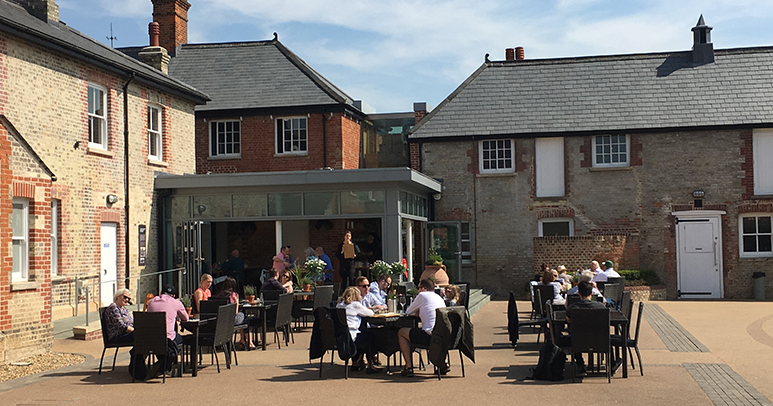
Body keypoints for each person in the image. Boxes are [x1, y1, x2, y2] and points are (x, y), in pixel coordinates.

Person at [397, 278, 446, 377]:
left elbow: (408, 311)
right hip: (443, 337)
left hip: (429, 337)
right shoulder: (439, 297)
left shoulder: (422, 295)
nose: (418, 290)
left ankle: (409, 367)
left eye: (418, 288)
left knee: (402, 332)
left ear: (423, 288)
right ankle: (443, 363)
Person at [565, 280, 609, 375]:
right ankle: (612, 363)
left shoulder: (573, 307)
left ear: (578, 293)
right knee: (609, 338)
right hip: (599, 340)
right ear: (592, 293)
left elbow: (568, 320)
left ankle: (580, 365)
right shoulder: (601, 307)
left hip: (578, 340)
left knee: (574, 335)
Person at [336, 287, 381, 374]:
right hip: (352, 336)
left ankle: (355, 362)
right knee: (371, 336)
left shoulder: (339, 305)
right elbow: (370, 313)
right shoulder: (355, 305)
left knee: (362, 335)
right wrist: (373, 308)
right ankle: (370, 364)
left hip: (341, 337)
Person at [145, 284, 188, 375]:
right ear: (173, 296)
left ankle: (162, 364)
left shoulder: (151, 302)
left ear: (160, 293)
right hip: (167, 338)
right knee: (179, 340)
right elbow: (185, 318)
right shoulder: (176, 303)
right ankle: (163, 365)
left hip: (150, 339)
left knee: (163, 343)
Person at [215, 277, 255, 350]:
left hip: (221, 320)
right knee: (244, 318)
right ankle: (249, 342)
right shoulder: (234, 295)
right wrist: (237, 303)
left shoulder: (219, 294)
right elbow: (235, 312)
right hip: (231, 320)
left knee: (241, 316)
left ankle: (242, 339)